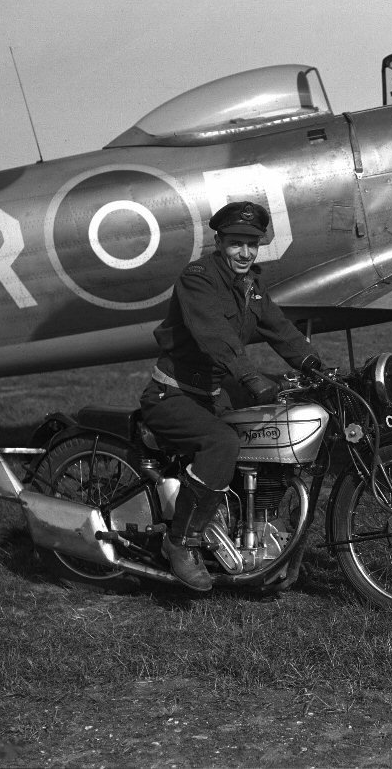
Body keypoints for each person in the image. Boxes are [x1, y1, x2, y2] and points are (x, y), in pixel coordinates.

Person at [140, 201, 322, 591]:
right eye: (237, 243)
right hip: (172, 394)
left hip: (213, 391)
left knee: (273, 422)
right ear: (220, 242)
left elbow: (280, 328)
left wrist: (315, 367)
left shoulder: (250, 286)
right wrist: (250, 376)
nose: (245, 253)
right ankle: (181, 543)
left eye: (252, 244)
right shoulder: (199, 278)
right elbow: (214, 337)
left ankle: (252, 527)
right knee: (221, 442)